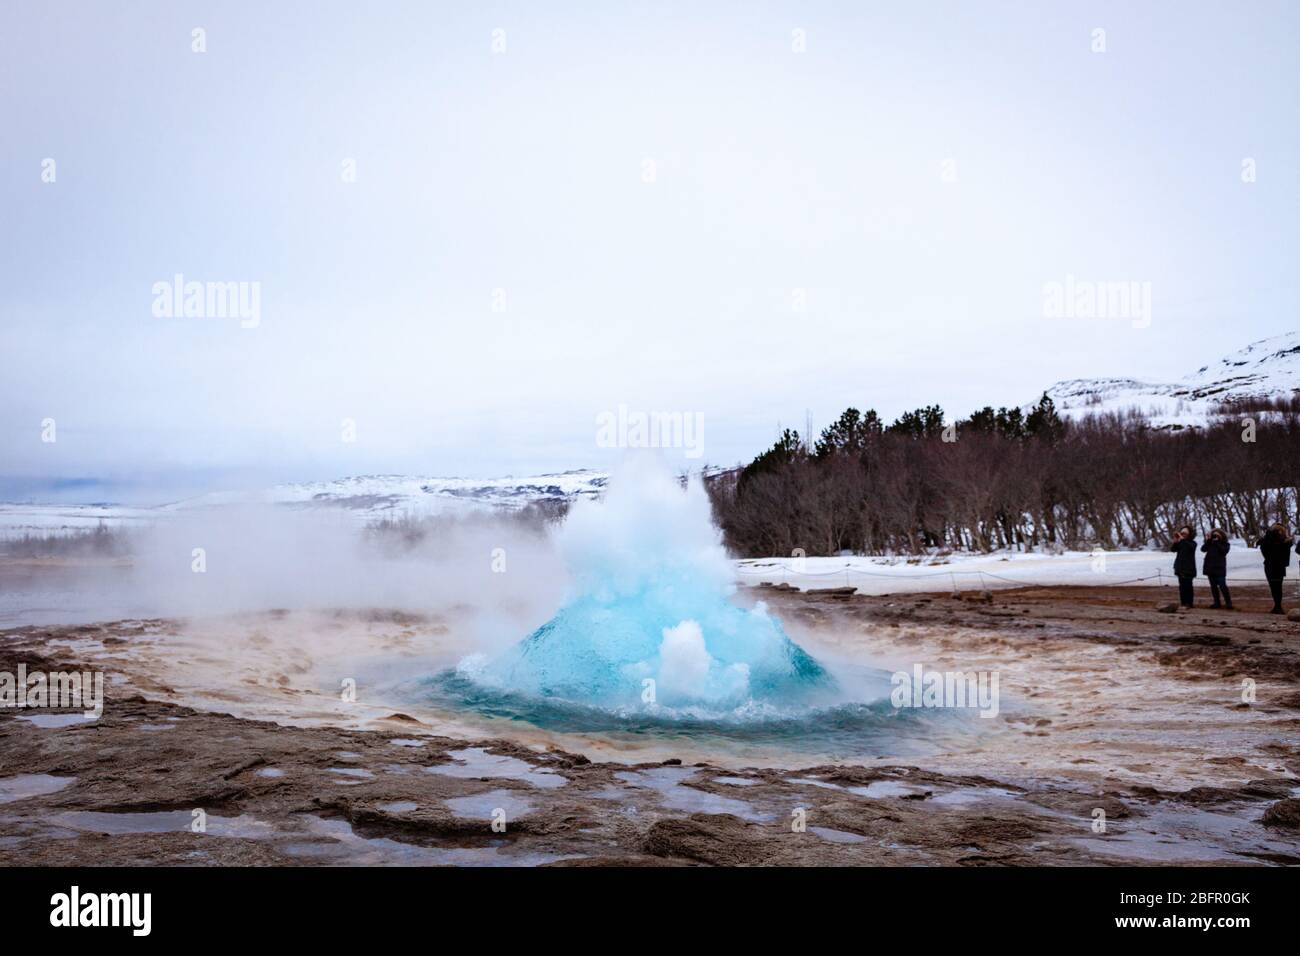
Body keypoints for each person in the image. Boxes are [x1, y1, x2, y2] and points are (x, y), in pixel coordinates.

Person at [1257, 523, 1295, 614]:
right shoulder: (1269, 541)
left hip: (1276, 566)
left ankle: (1278, 606)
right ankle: (1277, 605)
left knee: (1277, 586)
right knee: (1274, 587)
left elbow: (1287, 544)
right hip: (1273, 566)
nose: (1279, 533)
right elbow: (1265, 549)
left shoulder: (1284, 543)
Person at [1200, 528, 1232, 609]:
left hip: (1220, 568)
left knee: (1222, 586)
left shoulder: (1225, 544)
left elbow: (1224, 551)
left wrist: (1217, 542)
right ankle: (1217, 603)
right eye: (1214, 535)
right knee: (1213, 587)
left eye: (1217, 535)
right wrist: (1209, 540)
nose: (1215, 537)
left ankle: (1228, 603)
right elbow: (1203, 549)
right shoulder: (1210, 544)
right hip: (1210, 568)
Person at [1169, 525, 1198, 608]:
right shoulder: (1181, 542)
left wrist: (1183, 539)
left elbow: (1190, 547)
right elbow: (1173, 550)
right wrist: (1175, 541)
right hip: (1180, 567)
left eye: (1184, 533)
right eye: (1182, 533)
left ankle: (1189, 603)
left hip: (1189, 568)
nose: (1183, 535)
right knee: (1181, 587)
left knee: (1188, 586)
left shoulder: (1193, 543)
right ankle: (1183, 602)